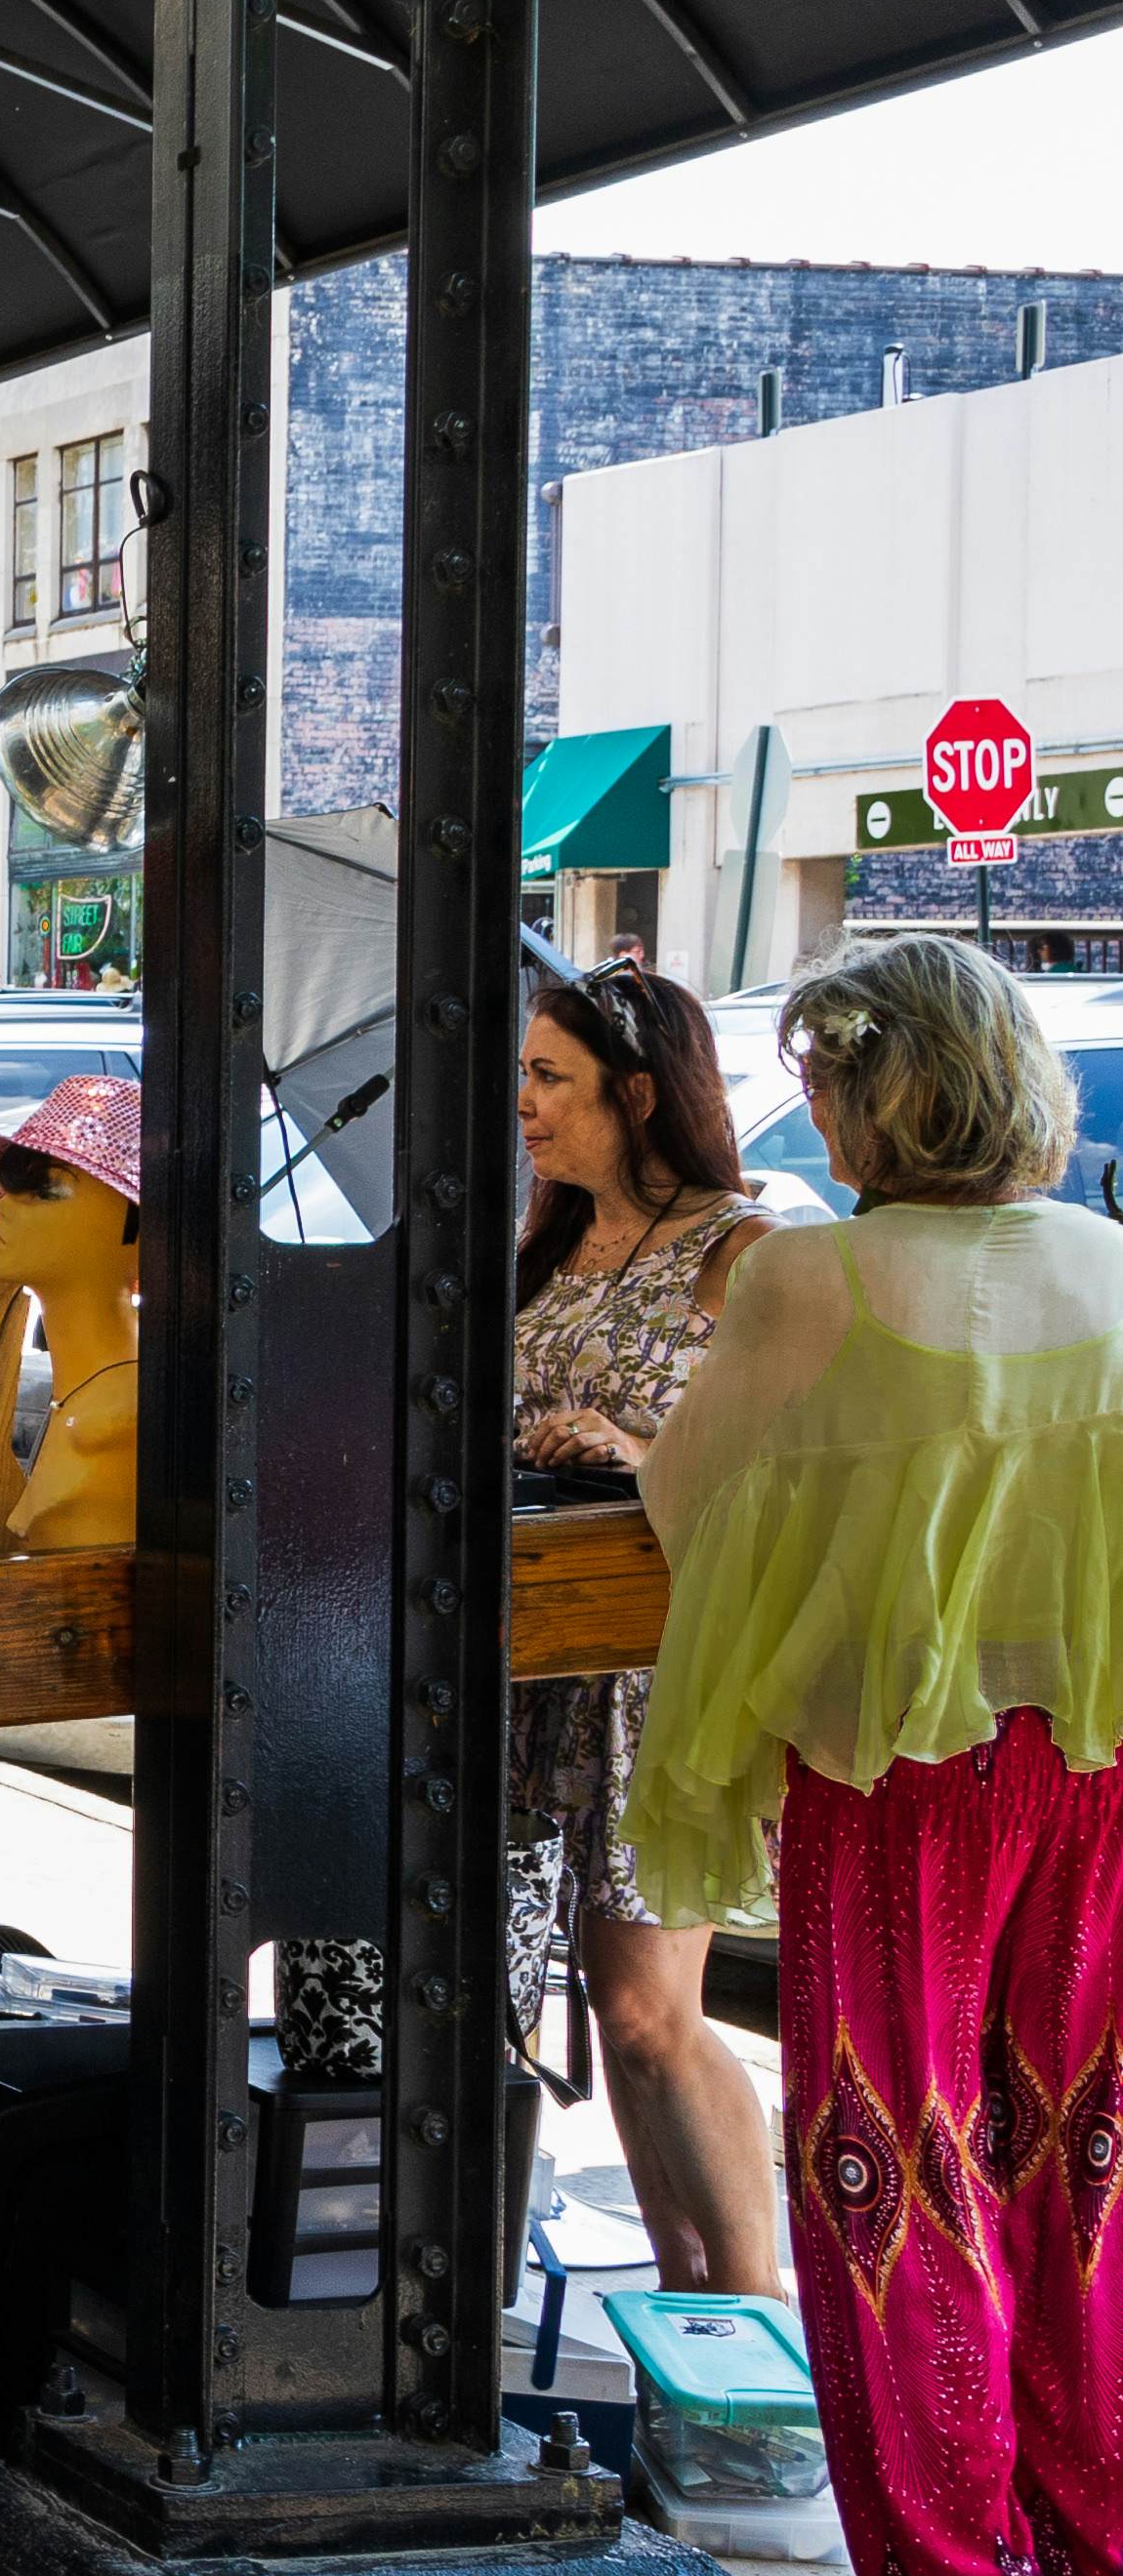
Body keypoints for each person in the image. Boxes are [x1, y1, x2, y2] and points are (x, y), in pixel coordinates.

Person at [634, 937, 1123, 2576]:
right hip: (1089, 1759)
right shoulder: (1107, 1260)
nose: (812, 1108)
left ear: (870, 1084)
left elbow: (693, 1508)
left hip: (893, 1769)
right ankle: (1099, 2553)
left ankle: (944, 2571)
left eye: (821, 1075)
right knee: (1075, 2150)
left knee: (883, 2149)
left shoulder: (813, 1277)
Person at [507, 961, 779, 2297]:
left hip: (648, 1667)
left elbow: (794, 1463)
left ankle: (752, 2315)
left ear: (636, 1092)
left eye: (548, 1077)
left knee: (648, 2007)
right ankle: (686, 2306)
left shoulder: (745, 1248)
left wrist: (640, 1446)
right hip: (522, 1658)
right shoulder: (545, 1240)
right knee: (601, 2016)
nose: (521, 1103)